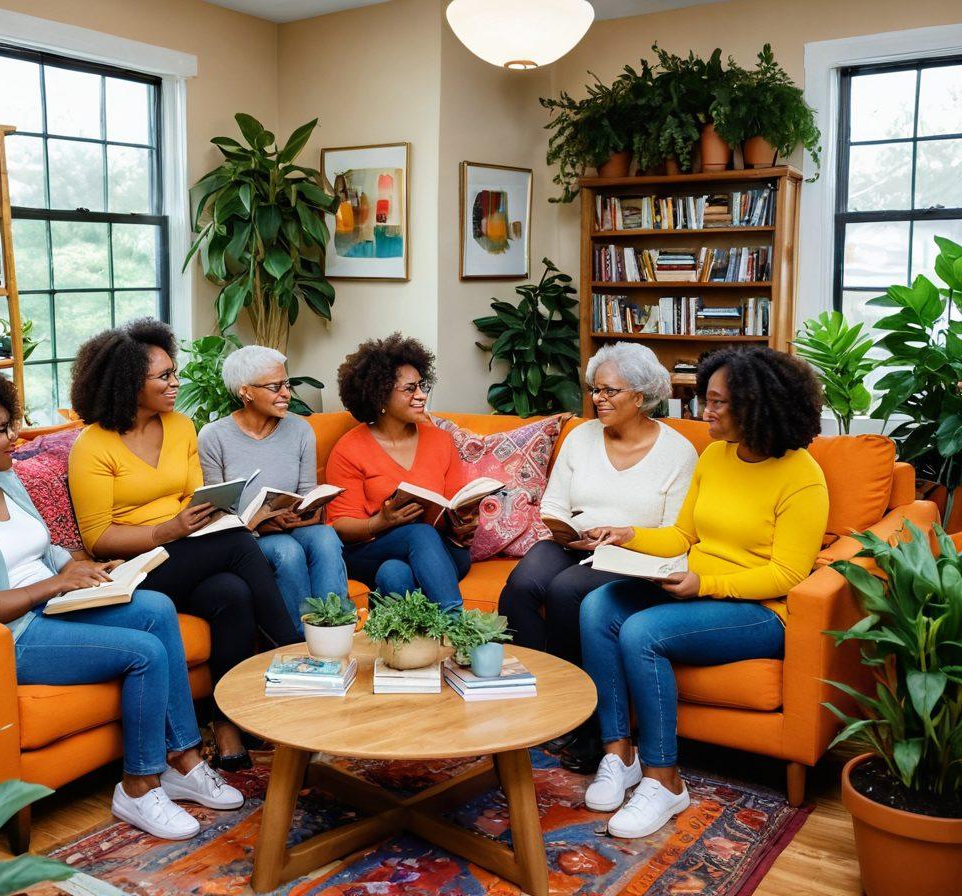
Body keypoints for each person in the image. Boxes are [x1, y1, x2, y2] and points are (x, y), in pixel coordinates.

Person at [0, 372, 243, 841]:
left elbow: (44, 550)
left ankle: (182, 758)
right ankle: (138, 787)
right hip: (13, 634)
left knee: (157, 607)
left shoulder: (3, 478)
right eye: (1, 430)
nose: (14, 437)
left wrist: (94, 568)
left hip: (56, 602)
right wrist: (53, 586)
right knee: (146, 652)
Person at [578, 346, 828, 838]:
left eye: (716, 403)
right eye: (704, 399)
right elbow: (682, 537)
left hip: (761, 612)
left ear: (756, 406)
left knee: (642, 632)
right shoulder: (715, 455)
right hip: (696, 589)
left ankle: (665, 780)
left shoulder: (803, 478)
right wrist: (628, 534)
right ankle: (617, 754)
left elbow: (788, 576)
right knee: (597, 605)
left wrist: (704, 584)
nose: (703, 411)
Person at [67, 319, 300, 771]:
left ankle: (225, 721)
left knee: (231, 593)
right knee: (238, 544)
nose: (176, 383)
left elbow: (196, 499)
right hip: (134, 563)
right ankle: (291, 652)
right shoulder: (92, 446)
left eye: (175, 373)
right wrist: (166, 531)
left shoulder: (180, 427)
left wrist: (214, 514)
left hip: (188, 550)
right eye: (164, 376)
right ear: (128, 383)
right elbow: (97, 538)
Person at [498, 342, 697, 771]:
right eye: (594, 389)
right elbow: (552, 505)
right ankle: (532, 702)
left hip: (634, 555)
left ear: (640, 397)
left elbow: (677, 533)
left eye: (609, 391)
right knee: (522, 585)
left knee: (568, 590)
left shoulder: (679, 452)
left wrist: (622, 539)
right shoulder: (581, 437)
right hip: (576, 542)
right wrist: (569, 533)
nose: (598, 399)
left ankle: (587, 722)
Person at [198, 345, 348, 634]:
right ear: (246, 392)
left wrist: (304, 513)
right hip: (247, 538)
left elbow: (308, 494)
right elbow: (217, 514)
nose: (286, 394)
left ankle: (334, 630)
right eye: (275, 386)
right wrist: (263, 524)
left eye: (287, 384)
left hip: (293, 525)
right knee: (287, 551)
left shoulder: (301, 430)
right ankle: (298, 642)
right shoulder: (213, 436)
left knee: (326, 536)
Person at [326, 333, 477, 610]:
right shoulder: (349, 449)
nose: (421, 396)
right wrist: (379, 522)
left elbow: (456, 503)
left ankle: (408, 648)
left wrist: (464, 521)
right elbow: (340, 527)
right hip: (371, 548)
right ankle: (458, 629)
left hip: (441, 551)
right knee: (418, 535)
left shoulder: (440, 441)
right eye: (410, 389)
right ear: (380, 394)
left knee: (394, 574)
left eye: (422, 386)